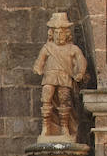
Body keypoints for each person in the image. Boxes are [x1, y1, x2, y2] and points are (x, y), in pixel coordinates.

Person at [32, 13, 88, 141]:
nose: (59, 36)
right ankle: (46, 128)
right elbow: (39, 61)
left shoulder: (72, 48)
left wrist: (80, 73)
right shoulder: (48, 48)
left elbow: (82, 62)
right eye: (56, 33)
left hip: (64, 76)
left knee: (64, 99)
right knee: (46, 96)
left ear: (67, 34)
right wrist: (38, 68)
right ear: (52, 34)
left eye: (62, 33)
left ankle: (64, 128)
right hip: (50, 76)